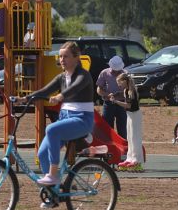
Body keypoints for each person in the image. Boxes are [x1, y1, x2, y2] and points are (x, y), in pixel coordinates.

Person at [27, 41, 94, 193]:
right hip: (65, 118)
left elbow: (75, 88)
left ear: (77, 57)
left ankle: (52, 175)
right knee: (42, 154)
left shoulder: (84, 75)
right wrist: (25, 99)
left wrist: (60, 96)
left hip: (82, 120)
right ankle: (54, 192)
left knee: (51, 129)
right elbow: (44, 91)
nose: (62, 60)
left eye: (66, 56)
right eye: (60, 57)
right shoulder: (61, 77)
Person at [112, 72, 144, 171]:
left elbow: (128, 105)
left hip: (135, 115)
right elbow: (122, 98)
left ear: (125, 81)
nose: (118, 84)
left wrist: (116, 102)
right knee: (129, 137)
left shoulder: (131, 91)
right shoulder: (125, 90)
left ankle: (137, 160)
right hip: (129, 115)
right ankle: (130, 158)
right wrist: (114, 96)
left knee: (135, 137)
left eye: (119, 82)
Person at [96, 55, 127, 139]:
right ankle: (110, 145)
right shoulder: (104, 73)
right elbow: (99, 89)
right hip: (108, 103)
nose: (116, 72)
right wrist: (107, 94)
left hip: (122, 104)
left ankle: (123, 145)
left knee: (123, 129)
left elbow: (129, 89)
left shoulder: (125, 74)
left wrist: (121, 94)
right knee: (107, 129)